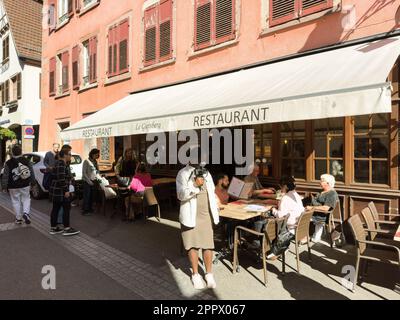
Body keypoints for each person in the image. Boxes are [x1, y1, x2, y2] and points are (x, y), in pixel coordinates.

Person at [176, 164, 219, 290]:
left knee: (208, 244)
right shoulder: (182, 173)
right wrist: (194, 185)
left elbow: (212, 191)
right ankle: (195, 274)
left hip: (206, 214)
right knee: (192, 244)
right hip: (190, 215)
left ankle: (209, 274)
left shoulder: (207, 173)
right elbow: (180, 195)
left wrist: (215, 205)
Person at [1, 145, 35, 225]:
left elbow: (5, 175)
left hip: (12, 186)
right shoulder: (26, 160)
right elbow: (31, 172)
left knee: (15, 201)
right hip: (25, 184)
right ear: (21, 151)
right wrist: (33, 182)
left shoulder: (8, 163)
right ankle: (26, 213)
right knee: (26, 199)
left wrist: (4, 186)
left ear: (12, 152)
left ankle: (18, 218)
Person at [49, 149, 80, 236]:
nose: (70, 156)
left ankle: (54, 228)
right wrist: (66, 190)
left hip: (57, 190)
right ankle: (67, 228)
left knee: (56, 208)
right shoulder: (61, 164)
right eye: (69, 154)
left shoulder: (60, 163)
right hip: (60, 191)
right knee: (66, 208)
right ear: (65, 155)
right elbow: (61, 178)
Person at [306, 174, 339, 243]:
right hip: (314, 212)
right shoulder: (322, 191)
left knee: (300, 217)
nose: (320, 182)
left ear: (328, 183)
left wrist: (311, 208)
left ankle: (301, 236)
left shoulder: (331, 193)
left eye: (322, 181)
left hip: (321, 215)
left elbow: (325, 208)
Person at [82, 148, 100, 216]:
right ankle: (85, 210)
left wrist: (98, 174)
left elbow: (97, 170)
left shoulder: (95, 161)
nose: (97, 156)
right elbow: (84, 173)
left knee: (92, 196)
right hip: (87, 181)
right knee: (87, 195)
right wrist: (89, 181)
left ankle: (90, 208)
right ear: (92, 154)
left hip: (94, 180)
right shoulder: (86, 161)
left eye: (98, 155)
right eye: (96, 155)